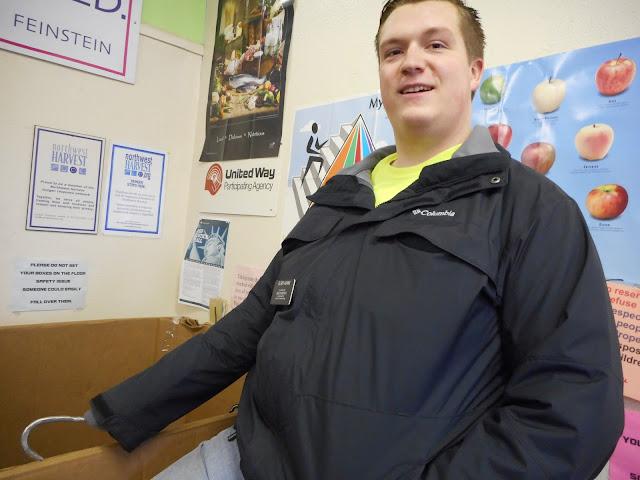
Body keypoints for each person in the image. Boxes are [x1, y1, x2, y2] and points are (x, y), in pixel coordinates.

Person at [85, 1, 625, 479]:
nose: (411, 60)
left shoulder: (532, 212)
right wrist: (122, 409)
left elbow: (571, 406)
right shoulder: (337, 198)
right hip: (244, 460)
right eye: (394, 51)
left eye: (436, 44)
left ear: (474, 70)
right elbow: (245, 328)